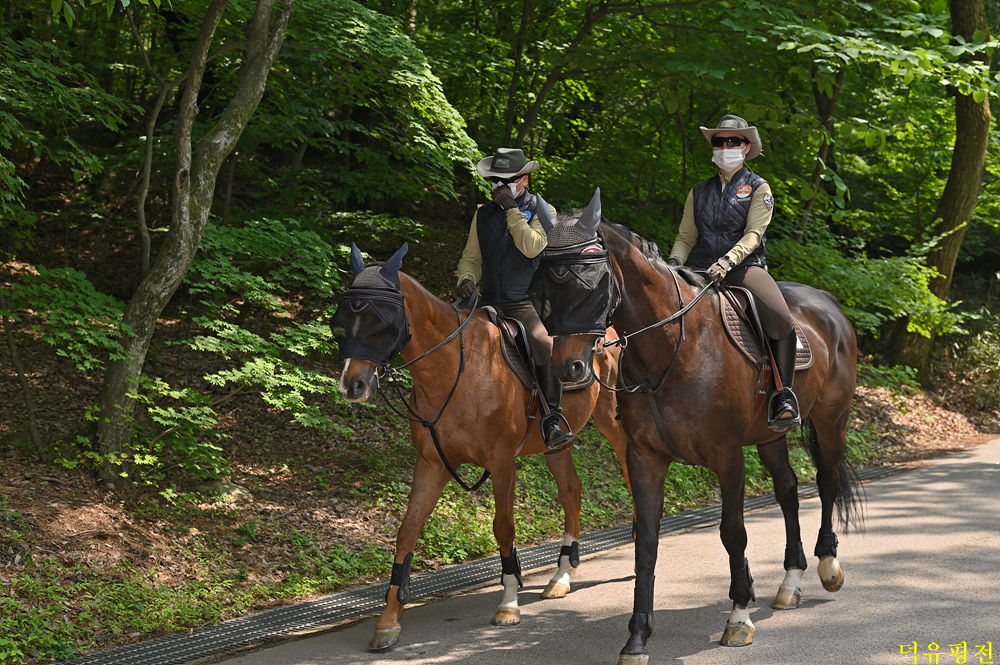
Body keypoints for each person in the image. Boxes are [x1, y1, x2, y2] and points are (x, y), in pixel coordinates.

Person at [666, 114, 800, 432]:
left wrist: (727, 261)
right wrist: (672, 265)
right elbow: (686, 237)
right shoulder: (698, 191)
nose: (725, 146)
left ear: (746, 147)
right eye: (718, 141)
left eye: (733, 141)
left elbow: (754, 234)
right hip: (699, 269)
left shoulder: (759, 188)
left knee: (780, 317)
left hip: (743, 268)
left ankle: (783, 395)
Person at [456, 147, 572, 450]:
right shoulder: (482, 214)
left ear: (524, 179)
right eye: (495, 180)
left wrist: (511, 210)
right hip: (487, 302)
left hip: (525, 302)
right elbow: (471, 258)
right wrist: (466, 279)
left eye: (506, 180)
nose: (499, 186)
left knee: (545, 344)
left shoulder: (544, 210)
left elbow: (531, 247)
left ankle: (551, 419)